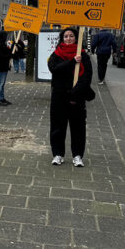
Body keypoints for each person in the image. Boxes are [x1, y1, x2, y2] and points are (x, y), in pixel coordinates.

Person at [48, 27, 93, 167]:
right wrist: (72, 62)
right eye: (66, 36)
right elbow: (55, 69)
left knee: (78, 127)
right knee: (57, 126)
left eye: (71, 36)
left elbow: (87, 76)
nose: (68, 38)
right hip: (59, 96)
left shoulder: (83, 56)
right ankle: (58, 154)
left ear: (76, 38)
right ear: (62, 39)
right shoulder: (56, 55)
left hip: (76, 97)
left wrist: (77, 90)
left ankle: (77, 155)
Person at [0, 30, 12, 105]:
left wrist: (11, 49)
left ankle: (2, 98)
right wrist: (8, 56)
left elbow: (6, 51)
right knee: (0, 83)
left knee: (2, 83)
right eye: (5, 36)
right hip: (1, 65)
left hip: (4, 65)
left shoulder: (2, 44)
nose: (6, 38)